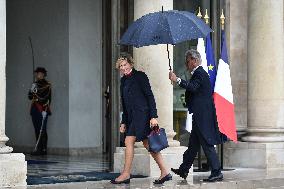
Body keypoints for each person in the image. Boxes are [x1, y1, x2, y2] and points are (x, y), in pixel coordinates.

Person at [111, 53, 172, 184]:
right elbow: (125, 104)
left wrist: (154, 116)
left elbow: (150, 96)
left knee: (130, 141)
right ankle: (165, 172)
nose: (123, 67)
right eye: (121, 66)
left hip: (143, 115)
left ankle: (126, 174)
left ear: (130, 64)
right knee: (147, 144)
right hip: (133, 117)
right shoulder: (123, 81)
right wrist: (124, 121)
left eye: (125, 64)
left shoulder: (140, 76)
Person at [169, 49, 223, 182]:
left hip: (203, 115)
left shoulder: (200, 73)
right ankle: (184, 170)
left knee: (206, 143)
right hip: (199, 115)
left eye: (187, 61)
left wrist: (177, 80)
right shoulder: (197, 73)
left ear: (194, 60)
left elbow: (193, 87)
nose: (186, 65)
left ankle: (216, 172)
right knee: (193, 145)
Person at [28, 67, 52, 156]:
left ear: (44, 75)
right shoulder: (35, 84)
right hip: (35, 109)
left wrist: (45, 109)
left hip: (43, 109)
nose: (40, 75)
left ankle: (44, 149)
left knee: (43, 129)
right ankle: (38, 149)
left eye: (41, 74)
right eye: (38, 73)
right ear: (36, 74)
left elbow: (48, 98)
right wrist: (31, 89)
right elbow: (30, 97)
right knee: (37, 129)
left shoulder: (47, 85)